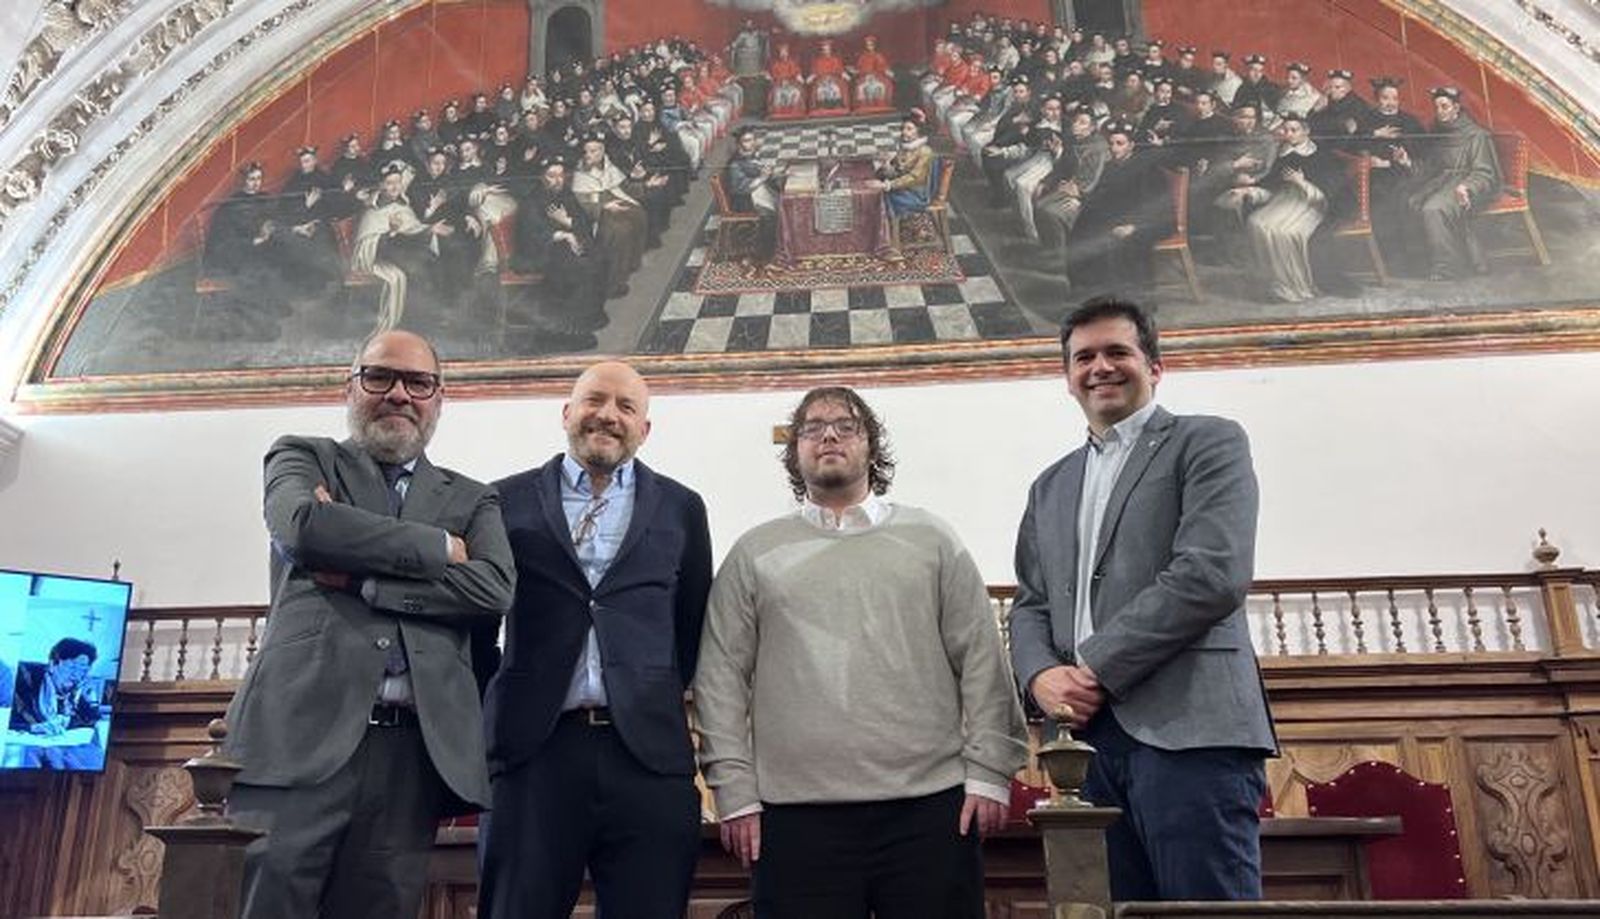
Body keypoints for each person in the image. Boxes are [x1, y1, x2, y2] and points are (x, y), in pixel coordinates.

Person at [695, 386, 1028, 919]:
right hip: (794, 817)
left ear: (871, 445)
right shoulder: (754, 553)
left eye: (846, 425)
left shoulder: (933, 539)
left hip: (930, 811)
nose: (828, 435)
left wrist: (990, 773)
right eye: (812, 427)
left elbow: (983, 661)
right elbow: (720, 678)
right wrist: (734, 791)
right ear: (795, 450)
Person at [224, 330, 516, 919]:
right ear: (351, 386)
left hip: (408, 754)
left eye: (418, 382)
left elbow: (493, 588)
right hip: (296, 736)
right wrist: (439, 547)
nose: (399, 395)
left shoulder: (473, 498)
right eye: (379, 377)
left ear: (440, 397)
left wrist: (366, 580)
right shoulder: (301, 455)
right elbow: (305, 527)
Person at [1009, 298, 1277, 902]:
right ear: (1068, 377)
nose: (1100, 367)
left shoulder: (1208, 442)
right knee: (1105, 910)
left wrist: (1093, 665)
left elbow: (1211, 573)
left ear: (1155, 367)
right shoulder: (1051, 484)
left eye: (1117, 352)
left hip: (1189, 732)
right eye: (1083, 357)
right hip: (1084, 747)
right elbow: (1030, 603)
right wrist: (1041, 676)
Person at [477, 361, 713, 919]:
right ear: (567, 412)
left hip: (647, 757)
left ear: (645, 429)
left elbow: (692, 624)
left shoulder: (682, 508)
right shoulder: (500, 501)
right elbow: (477, 627)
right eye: (594, 400)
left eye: (626, 407)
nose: (607, 415)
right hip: (533, 753)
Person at [1398, 86, 1501, 280]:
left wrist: (1467, 187)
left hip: (1468, 184)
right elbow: (1431, 167)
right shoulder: (1439, 133)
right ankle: (1423, 261)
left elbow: (1485, 173)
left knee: (1434, 209)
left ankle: (1448, 267)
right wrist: (1407, 162)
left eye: (1445, 107)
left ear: (1456, 108)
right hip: (1442, 182)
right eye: (1437, 108)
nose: (1440, 112)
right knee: (1410, 200)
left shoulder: (1477, 135)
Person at [9, 638, 103, 769]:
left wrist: (71, 719)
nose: (77, 675)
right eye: (72, 667)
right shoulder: (23, 677)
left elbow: (94, 719)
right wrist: (32, 728)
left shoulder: (73, 693)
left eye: (83, 670)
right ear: (53, 665)